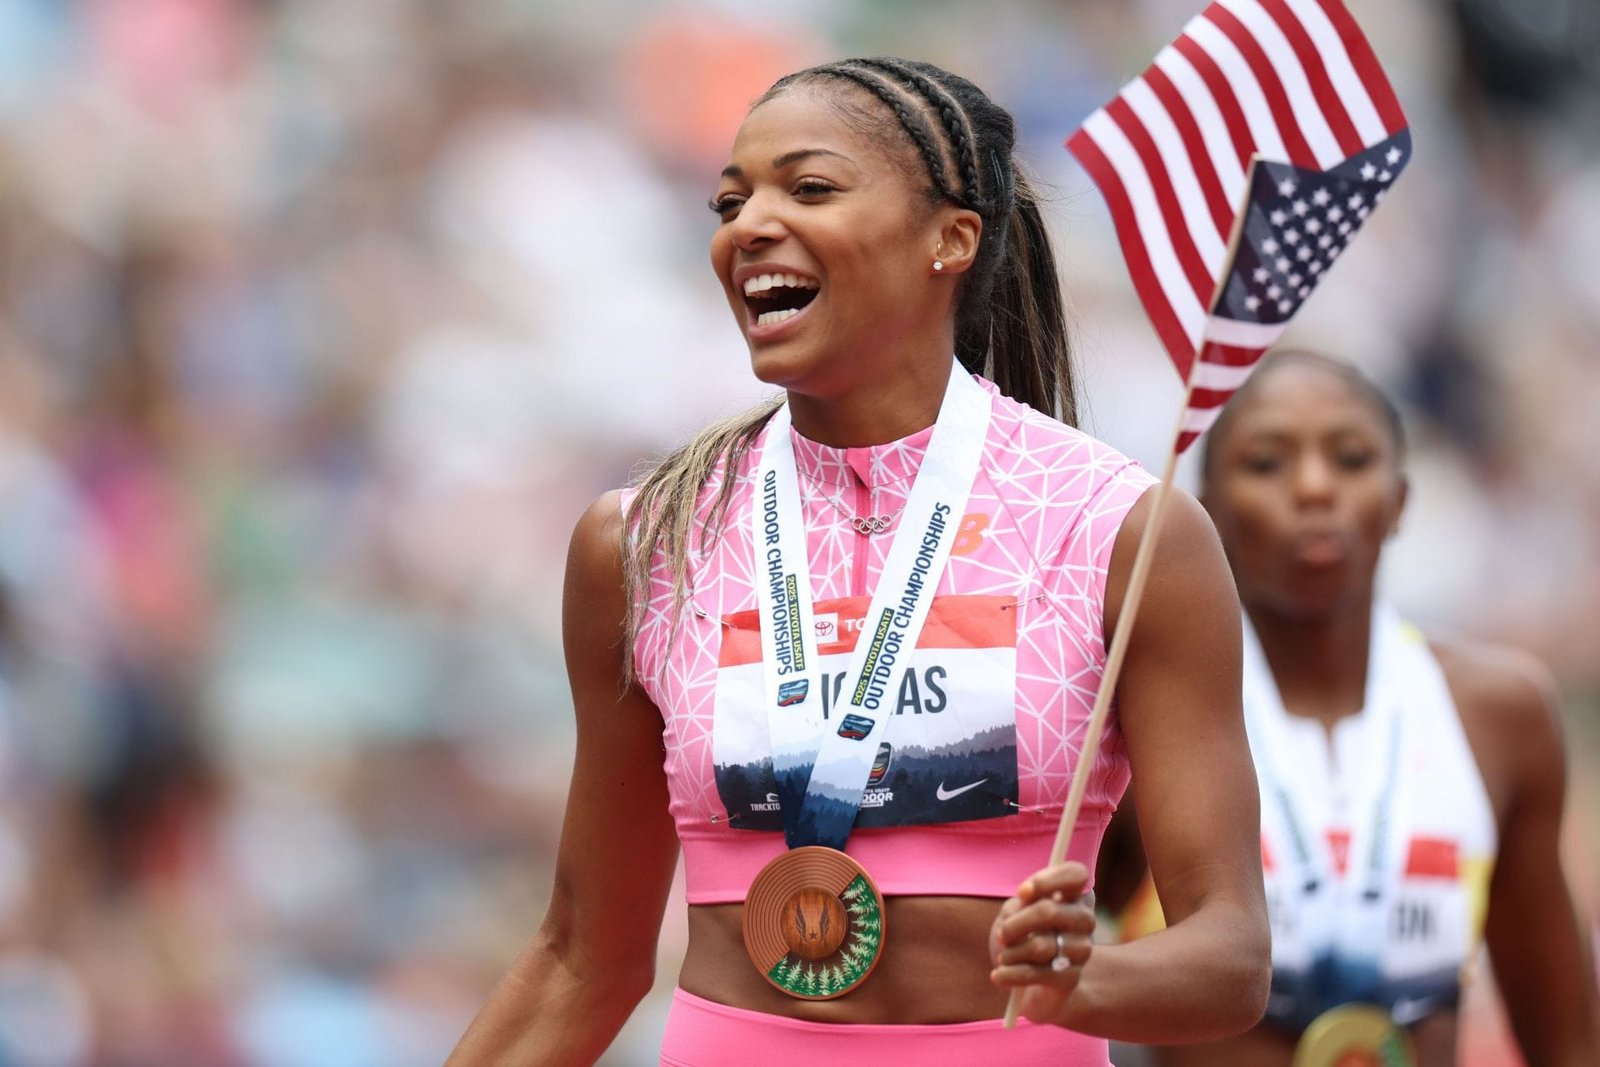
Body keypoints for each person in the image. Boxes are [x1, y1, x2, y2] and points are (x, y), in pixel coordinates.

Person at [445, 57, 1270, 1066]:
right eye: (730, 201)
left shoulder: (1121, 530)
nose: (747, 226)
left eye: (809, 188)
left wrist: (1084, 978)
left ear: (950, 238)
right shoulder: (645, 542)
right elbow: (584, 957)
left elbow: (1230, 958)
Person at [1101, 350, 1600, 1066]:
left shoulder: (1499, 716)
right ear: (1205, 511)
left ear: (1399, 500)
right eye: (1267, 463)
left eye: (1352, 458)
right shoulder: (1133, 721)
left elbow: (1568, 1041)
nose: (1313, 487)